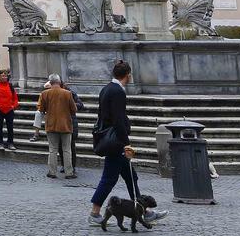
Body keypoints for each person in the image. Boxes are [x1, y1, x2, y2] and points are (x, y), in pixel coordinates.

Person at [89, 60, 168, 226]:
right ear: (128, 75)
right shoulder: (118, 91)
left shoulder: (106, 89)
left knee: (131, 177)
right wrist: (126, 143)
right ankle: (95, 213)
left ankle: (144, 211)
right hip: (116, 143)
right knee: (109, 178)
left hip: (112, 139)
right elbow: (118, 119)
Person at [39, 74, 78, 179]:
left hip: (51, 124)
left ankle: (52, 172)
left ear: (50, 82)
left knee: (52, 149)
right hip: (65, 125)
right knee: (67, 149)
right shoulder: (67, 93)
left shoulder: (44, 93)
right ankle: (69, 172)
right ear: (59, 82)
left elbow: (41, 109)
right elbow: (74, 109)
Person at [0, 68, 19, 151]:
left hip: (9, 110)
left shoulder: (10, 85)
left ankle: (10, 143)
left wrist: (14, 106)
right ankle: (0, 143)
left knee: (10, 127)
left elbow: (15, 98)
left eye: (5, 76)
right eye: (2, 76)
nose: (4, 77)